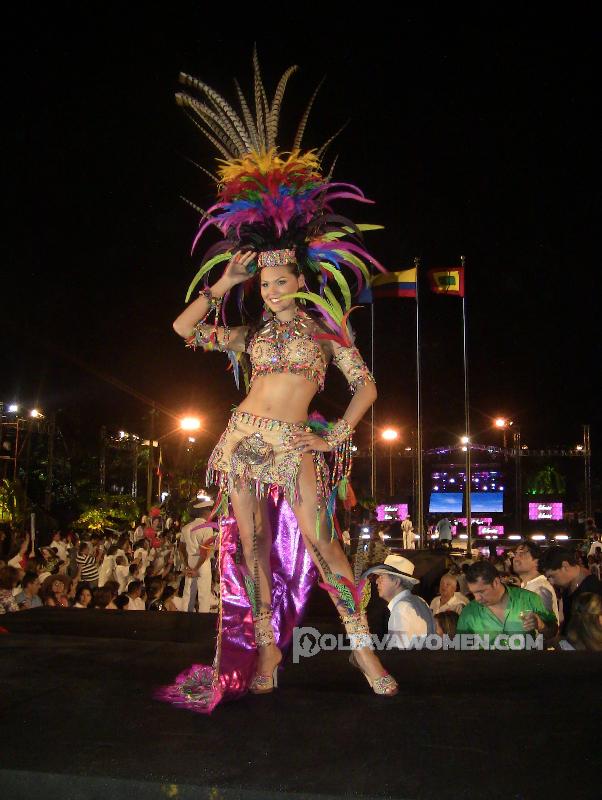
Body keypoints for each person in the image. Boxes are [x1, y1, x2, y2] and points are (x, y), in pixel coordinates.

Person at [162, 52, 398, 713]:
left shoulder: (328, 331)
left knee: (325, 545)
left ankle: (363, 653)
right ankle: (266, 656)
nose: (268, 290)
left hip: (297, 444)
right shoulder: (248, 332)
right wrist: (224, 286)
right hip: (240, 440)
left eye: (277, 280)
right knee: (254, 554)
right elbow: (183, 329)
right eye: (261, 283)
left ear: (300, 279)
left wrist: (339, 434)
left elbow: (368, 385)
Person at [457, 561, 558, 645]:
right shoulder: (469, 612)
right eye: (474, 593)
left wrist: (541, 625)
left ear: (496, 582)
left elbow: (553, 631)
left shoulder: (529, 599)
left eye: (481, 592)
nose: (477, 598)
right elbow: (462, 648)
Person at [363, 555, 435, 648]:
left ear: (396, 582)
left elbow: (397, 657)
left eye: (382, 577)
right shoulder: (420, 601)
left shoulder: (401, 609)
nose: (377, 581)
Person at [539, 546, 602, 634]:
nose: (551, 582)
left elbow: (590, 639)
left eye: (552, 576)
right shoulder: (568, 588)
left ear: (565, 566)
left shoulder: (591, 591)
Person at [179, 500, 215, 613]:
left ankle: (185, 616)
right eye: (209, 510)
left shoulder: (186, 527)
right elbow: (205, 551)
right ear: (204, 512)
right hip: (202, 563)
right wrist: (196, 568)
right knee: (204, 594)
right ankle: (203, 618)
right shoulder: (207, 527)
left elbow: (181, 548)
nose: (211, 513)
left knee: (188, 592)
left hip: (190, 561)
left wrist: (186, 565)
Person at [512, 541, 559, 622]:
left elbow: (547, 625)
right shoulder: (526, 585)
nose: (516, 558)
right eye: (515, 554)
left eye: (521, 554)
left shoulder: (541, 588)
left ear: (536, 561)